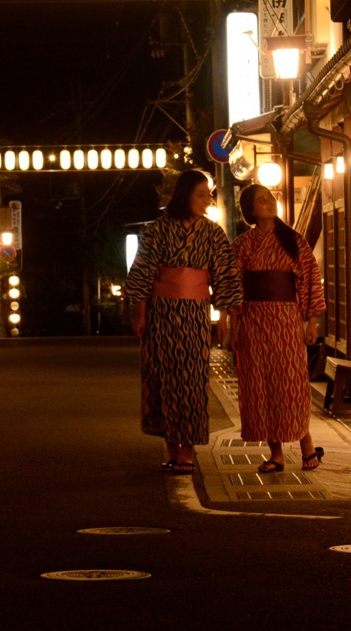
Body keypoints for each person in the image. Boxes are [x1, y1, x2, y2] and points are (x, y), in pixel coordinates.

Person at [125, 169, 244, 476]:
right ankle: (171, 448)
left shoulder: (213, 233)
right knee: (163, 377)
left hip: (195, 314)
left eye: (208, 196)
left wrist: (224, 317)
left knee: (192, 379)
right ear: (185, 195)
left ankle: (187, 451)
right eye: (201, 195)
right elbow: (143, 272)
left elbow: (225, 276)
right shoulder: (157, 230)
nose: (207, 201)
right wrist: (140, 313)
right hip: (161, 313)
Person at [231, 183, 327, 473]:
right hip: (253, 320)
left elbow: (311, 278)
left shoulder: (294, 240)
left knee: (291, 383)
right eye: (262, 200)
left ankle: (306, 444)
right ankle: (276, 454)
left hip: (287, 319)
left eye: (270, 198)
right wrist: (233, 325)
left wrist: (312, 321)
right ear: (250, 210)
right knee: (261, 385)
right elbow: (233, 286)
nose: (270, 202)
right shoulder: (242, 244)